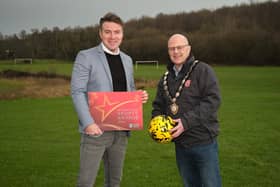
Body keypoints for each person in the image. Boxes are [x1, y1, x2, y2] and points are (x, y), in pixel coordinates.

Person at [71, 12, 148, 187]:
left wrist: (138, 97)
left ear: (122, 34)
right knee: (85, 182)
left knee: (114, 181)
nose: (112, 36)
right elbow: (77, 91)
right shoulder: (86, 56)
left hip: (121, 131)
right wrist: (88, 123)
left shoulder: (127, 60)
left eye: (117, 32)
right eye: (108, 32)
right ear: (100, 33)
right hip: (95, 130)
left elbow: (129, 90)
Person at [151, 34, 222, 187]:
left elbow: (213, 101)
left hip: (204, 143)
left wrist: (185, 122)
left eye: (179, 47)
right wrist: (156, 123)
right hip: (181, 145)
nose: (176, 51)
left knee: (211, 184)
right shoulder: (165, 78)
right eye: (172, 48)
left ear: (188, 48)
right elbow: (158, 106)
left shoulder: (202, 70)